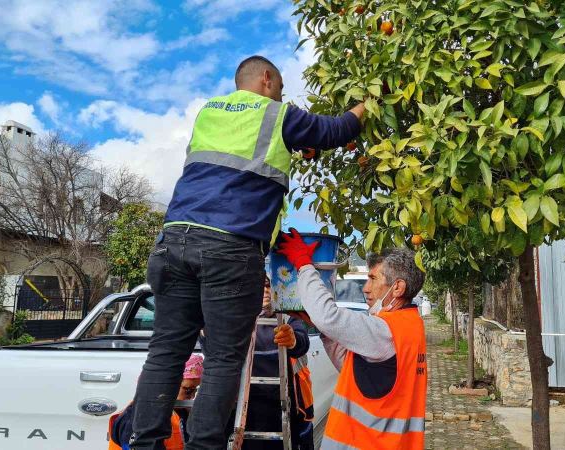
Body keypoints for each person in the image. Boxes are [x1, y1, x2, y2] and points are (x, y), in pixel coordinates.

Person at [130, 56, 364, 450]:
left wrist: (295, 145)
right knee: (223, 358)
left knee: (166, 351)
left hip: (173, 241)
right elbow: (338, 129)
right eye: (282, 91)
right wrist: (371, 101)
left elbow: (238, 165)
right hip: (230, 248)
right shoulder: (277, 114)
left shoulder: (209, 113)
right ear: (268, 80)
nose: (283, 98)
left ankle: (145, 444)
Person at [277, 231, 428, 450]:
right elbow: (357, 370)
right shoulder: (409, 325)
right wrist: (324, 329)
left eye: (373, 279)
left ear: (398, 287)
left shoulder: (386, 330)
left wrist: (303, 263)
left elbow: (329, 316)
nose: (366, 288)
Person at [234, 275, 314, 450]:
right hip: (247, 405)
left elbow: (301, 340)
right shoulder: (237, 317)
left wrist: (292, 339)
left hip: (284, 404)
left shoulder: (288, 314)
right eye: (259, 286)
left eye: (269, 287)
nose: (265, 292)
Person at [109, 355, 204, 450]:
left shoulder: (182, 413)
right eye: (188, 390)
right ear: (163, 386)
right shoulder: (134, 419)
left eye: (195, 390)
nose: (192, 397)